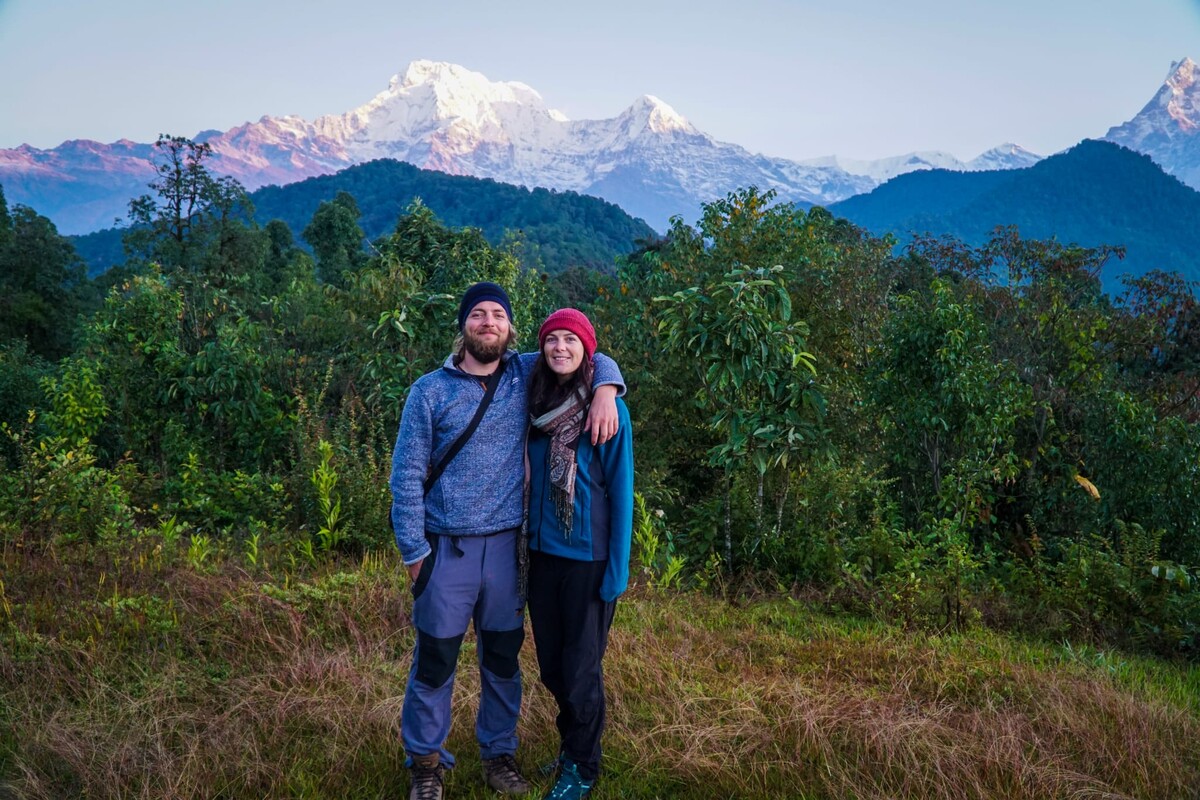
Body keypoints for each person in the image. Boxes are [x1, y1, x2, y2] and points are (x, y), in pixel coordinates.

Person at [390, 283, 625, 800]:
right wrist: (415, 557)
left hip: (505, 551)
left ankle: (499, 753)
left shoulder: (523, 374)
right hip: (444, 550)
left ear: (510, 328)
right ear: (464, 325)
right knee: (435, 661)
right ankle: (425, 763)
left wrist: (609, 386)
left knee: (502, 660)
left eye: (499, 314)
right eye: (478, 314)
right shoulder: (429, 390)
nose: (489, 322)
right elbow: (405, 476)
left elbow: (584, 350)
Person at [525, 309, 634, 800]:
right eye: (553, 340)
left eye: (571, 340)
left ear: (587, 350)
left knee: (581, 668)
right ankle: (571, 745)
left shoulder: (606, 410)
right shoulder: (533, 401)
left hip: (588, 560)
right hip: (542, 555)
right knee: (550, 665)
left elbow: (622, 490)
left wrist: (617, 571)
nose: (561, 348)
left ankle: (583, 767)